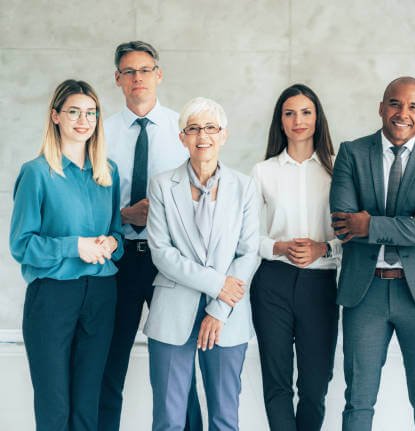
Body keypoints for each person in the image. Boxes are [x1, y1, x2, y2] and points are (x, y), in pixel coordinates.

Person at [330, 76, 415, 431]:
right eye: (395, 104)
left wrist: (372, 224)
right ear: (381, 107)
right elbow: (344, 226)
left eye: (413, 106)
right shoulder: (352, 153)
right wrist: (413, 219)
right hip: (364, 292)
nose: (403, 113)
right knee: (358, 400)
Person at [99, 41, 202, 431]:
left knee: (179, 366)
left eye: (145, 70)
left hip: (169, 262)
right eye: (129, 71)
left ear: (159, 74)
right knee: (110, 364)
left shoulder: (184, 132)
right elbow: (90, 200)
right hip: (119, 258)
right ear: (118, 80)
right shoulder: (101, 132)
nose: (137, 78)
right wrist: (123, 214)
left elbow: (201, 201)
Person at [9, 79, 123, 430]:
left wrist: (112, 243)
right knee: (55, 406)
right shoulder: (36, 173)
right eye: (74, 111)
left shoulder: (109, 172)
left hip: (101, 295)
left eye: (91, 112)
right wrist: (75, 246)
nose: (83, 120)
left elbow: (116, 230)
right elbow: (22, 244)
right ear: (56, 116)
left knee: (88, 404)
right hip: (53, 297)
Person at [145, 97, 259, 431]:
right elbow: (162, 253)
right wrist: (217, 284)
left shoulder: (245, 187)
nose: (202, 136)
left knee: (225, 419)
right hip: (172, 311)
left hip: (228, 314)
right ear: (182, 137)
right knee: (169, 419)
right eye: (193, 128)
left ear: (223, 135)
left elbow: (248, 253)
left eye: (211, 128)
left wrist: (219, 307)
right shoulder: (162, 185)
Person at [250, 84, 340, 431]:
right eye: (289, 113)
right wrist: (279, 247)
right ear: (280, 122)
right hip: (273, 282)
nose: (298, 120)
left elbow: (350, 237)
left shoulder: (337, 171)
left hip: (320, 285)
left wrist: (323, 248)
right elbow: (246, 238)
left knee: (315, 386)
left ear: (317, 119)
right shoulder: (263, 172)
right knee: (277, 382)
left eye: (305, 112)